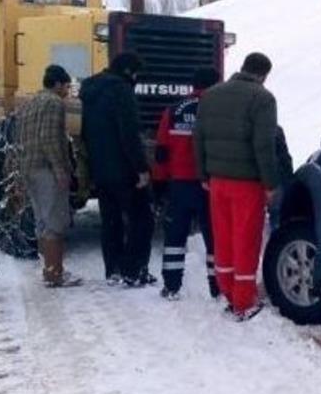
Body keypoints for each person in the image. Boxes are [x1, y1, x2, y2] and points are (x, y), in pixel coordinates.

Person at [194, 52, 280, 320]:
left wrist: (204, 176)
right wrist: (270, 183)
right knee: (246, 239)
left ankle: (228, 291)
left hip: (217, 181)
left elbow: (198, 138)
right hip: (247, 183)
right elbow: (264, 145)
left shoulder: (212, 95)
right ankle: (244, 301)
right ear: (264, 74)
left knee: (224, 237)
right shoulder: (262, 98)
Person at [80, 53, 156, 287]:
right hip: (124, 170)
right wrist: (141, 169)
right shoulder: (121, 91)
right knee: (142, 219)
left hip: (100, 169)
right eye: (136, 74)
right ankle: (133, 271)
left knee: (110, 220)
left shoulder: (90, 91)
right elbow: (128, 133)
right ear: (127, 71)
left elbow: (85, 133)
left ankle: (112, 269)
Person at [153, 66, 221, 300]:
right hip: (209, 184)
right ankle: (217, 287)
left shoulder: (173, 110)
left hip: (179, 184)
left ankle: (171, 286)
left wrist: (160, 183)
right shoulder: (218, 110)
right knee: (214, 238)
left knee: (175, 237)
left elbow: (161, 151)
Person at [15, 64, 79, 287]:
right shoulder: (53, 103)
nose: (67, 92)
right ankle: (55, 274)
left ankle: (48, 270)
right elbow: (49, 138)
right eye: (66, 87)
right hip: (47, 171)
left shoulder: (31, 103)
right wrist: (60, 170)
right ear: (59, 84)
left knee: (42, 221)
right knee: (55, 222)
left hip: (29, 167)